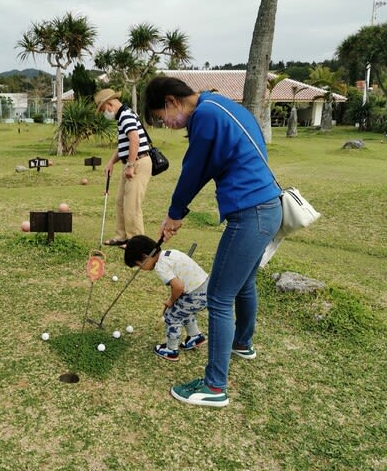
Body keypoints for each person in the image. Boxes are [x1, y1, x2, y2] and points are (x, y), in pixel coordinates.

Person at [143, 76, 282, 407]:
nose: (168, 125)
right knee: (243, 284)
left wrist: (175, 213)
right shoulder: (219, 105)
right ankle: (242, 344)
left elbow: (194, 170)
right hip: (268, 208)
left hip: (251, 213)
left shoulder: (206, 116)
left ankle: (214, 387)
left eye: (163, 118)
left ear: (172, 101)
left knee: (219, 297)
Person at [124, 235, 208, 362]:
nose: (141, 269)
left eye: (139, 265)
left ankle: (171, 350)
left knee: (172, 316)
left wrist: (171, 301)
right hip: (206, 288)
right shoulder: (170, 253)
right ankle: (195, 336)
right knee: (183, 311)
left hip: (194, 294)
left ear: (145, 257)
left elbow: (178, 287)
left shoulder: (160, 266)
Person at [94, 88, 152, 249]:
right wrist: (111, 162)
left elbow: (134, 140)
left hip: (138, 163)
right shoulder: (122, 116)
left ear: (110, 104)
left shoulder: (126, 116)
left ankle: (136, 242)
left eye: (103, 109)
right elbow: (124, 145)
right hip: (131, 162)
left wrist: (130, 165)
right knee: (121, 201)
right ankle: (122, 236)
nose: (104, 113)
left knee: (132, 204)